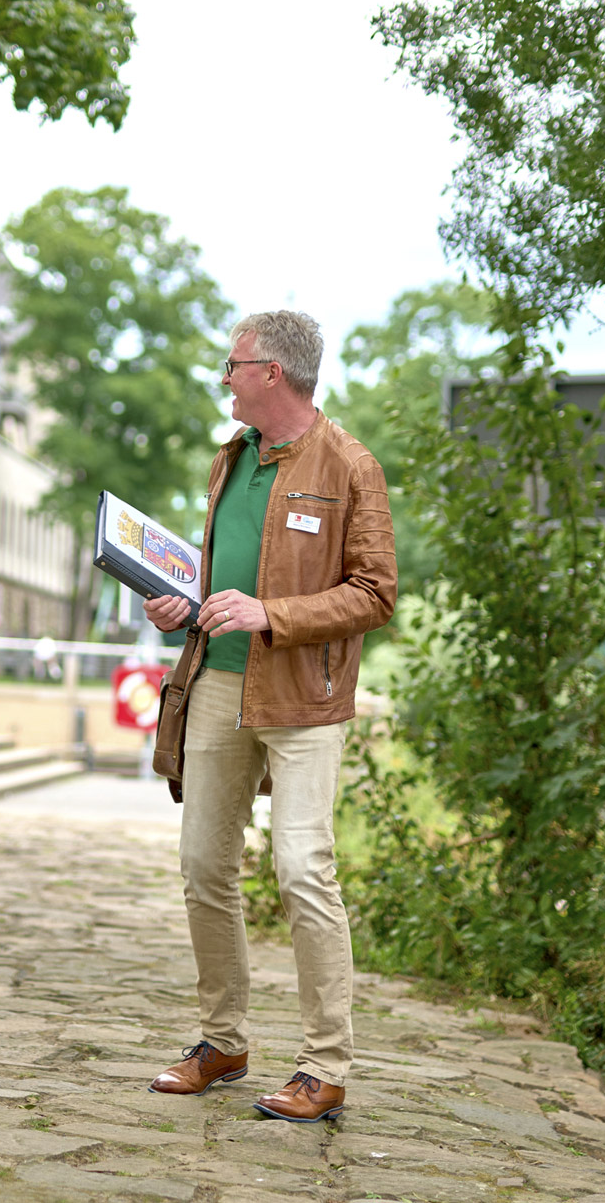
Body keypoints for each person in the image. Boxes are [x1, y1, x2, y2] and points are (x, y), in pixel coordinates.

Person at [143, 310, 396, 1123]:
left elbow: (375, 592)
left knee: (303, 871)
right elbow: (228, 570)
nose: (226, 375)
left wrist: (270, 614)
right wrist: (184, 604)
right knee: (203, 868)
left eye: (235, 363)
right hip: (215, 683)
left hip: (305, 702)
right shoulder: (233, 457)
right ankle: (223, 1040)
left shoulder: (352, 465)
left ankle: (325, 1066)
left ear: (273, 374)